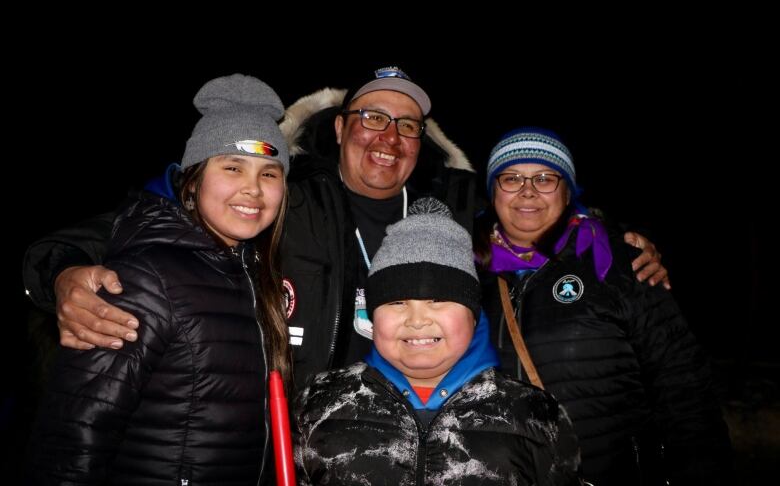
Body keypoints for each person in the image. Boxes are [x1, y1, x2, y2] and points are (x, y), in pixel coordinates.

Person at [22, 67, 667, 391]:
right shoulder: (284, 198)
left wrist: (606, 233)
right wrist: (61, 273)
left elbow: (533, 214)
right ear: (339, 128)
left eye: (407, 125)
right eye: (372, 118)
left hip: (399, 444)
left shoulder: (448, 210)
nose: (389, 137)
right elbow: (160, 212)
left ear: (422, 144)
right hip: (281, 448)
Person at [28, 74, 291, 485]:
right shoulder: (144, 278)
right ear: (193, 178)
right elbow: (75, 436)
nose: (252, 189)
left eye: (269, 173)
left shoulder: (255, 274)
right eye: (233, 167)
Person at [474, 127, 734, 486]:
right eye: (511, 178)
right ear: (493, 192)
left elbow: (684, 388)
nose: (528, 190)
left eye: (546, 178)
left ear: (568, 192)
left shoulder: (617, 263)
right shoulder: (465, 272)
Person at [295, 197, 581, 485]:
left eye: (439, 300)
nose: (417, 320)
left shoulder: (536, 414)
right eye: (396, 302)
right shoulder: (317, 404)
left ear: (473, 316)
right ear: (372, 316)